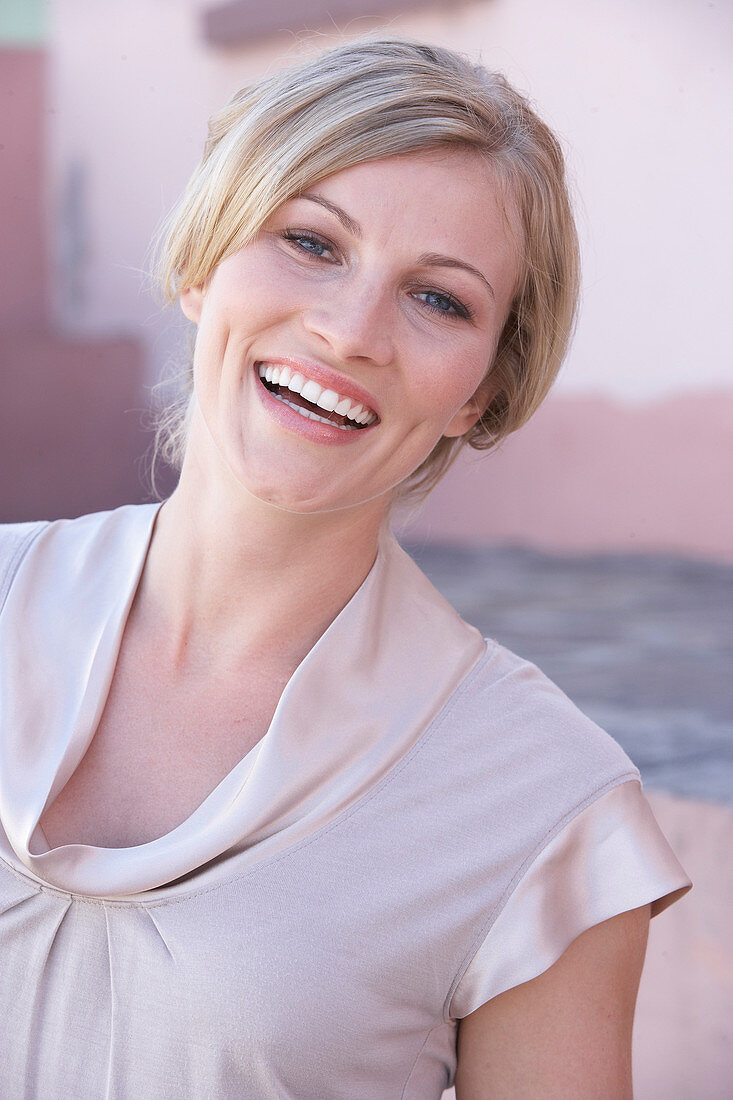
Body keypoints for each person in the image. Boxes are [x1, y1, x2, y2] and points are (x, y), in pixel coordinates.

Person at [0, 37, 690, 1099]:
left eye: (439, 299)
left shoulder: (544, 805)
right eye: (312, 242)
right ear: (202, 261)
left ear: (478, 394)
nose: (348, 328)